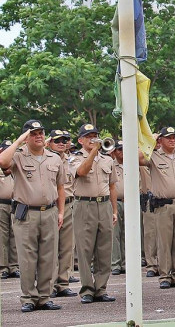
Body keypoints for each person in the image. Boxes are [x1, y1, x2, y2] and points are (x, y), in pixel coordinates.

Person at [0, 120, 66, 312]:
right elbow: (3, 162)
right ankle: (28, 297)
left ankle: (44, 297)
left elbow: (61, 187)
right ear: (27, 137)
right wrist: (19, 141)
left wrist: (61, 212)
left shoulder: (54, 158)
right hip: (26, 214)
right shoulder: (19, 157)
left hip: (50, 212)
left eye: (41, 132)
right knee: (27, 258)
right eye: (33, 133)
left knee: (48, 257)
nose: (39, 136)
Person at [140, 126, 175, 289]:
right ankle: (164, 276)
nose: (172, 139)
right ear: (161, 140)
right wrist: (151, 140)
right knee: (164, 242)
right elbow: (135, 157)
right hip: (163, 206)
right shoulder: (154, 156)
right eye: (168, 137)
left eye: (174, 137)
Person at [70, 123, 118, 304]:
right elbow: (82, 172)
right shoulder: (74, 158)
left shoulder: (107, 160)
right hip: (84, 205)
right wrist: (93, 152)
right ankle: (87, 289)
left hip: (103, 205)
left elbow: (112, 185)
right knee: (85, 249)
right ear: (80, 140)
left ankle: (101, 288)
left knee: (104, 249)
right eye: (88, 136)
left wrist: (114, 210)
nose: (93, 139)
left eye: (95, 135)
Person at [46, 130, 77, 297]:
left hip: (69, 205)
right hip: (52, 206)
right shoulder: (45, 158)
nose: (61, 143)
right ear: (49, 142)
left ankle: (63, 283)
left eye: (64, 140)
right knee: (49, 248)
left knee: (67, 247)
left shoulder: (71, 159)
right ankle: (48, 285)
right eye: (57, 140)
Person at [0, 139, 19, 281]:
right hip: (1, 204)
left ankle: (14, 266)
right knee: (2, 235)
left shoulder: (16, 166)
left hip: (15, 203)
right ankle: (3, 267)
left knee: (15, 235)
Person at [110, 140, 126, 276]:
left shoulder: (133, 163)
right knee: (115, 233)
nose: (122, 152)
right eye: (119, 149)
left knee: (129, 234)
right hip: (116, 202)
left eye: (124, 149)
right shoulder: (110, 164)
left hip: (131, 202)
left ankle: (126, 262)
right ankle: (116, 263)